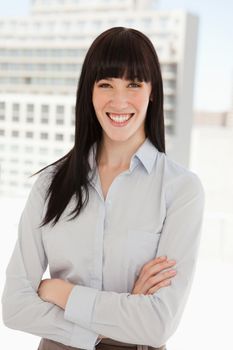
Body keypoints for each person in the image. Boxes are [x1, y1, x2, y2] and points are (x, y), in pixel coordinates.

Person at [1, 27, 204, 350]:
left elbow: (157, 324)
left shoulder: (180, 189)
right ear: (90, 93)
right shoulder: (50, 185)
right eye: (106, 84)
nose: (119, 100)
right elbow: (14, 306)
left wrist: (62, 294)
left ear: (152, 91)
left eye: (134, 84)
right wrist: (113, 322)